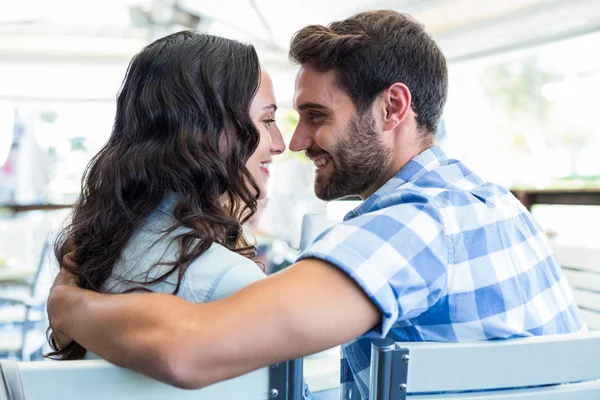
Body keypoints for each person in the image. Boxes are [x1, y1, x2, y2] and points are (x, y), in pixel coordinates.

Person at [47, 10, 585, 400]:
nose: (296, 142)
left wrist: (68, 305)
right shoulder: (490, 201)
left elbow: (189, 349)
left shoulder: (414, 226)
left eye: (316, 115)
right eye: (281, 119)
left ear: (392, 107)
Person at [46, 31, 285, 360]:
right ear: (205, 131)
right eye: (268, 119)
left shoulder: (101, 247)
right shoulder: (228, 281)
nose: (280, 143)